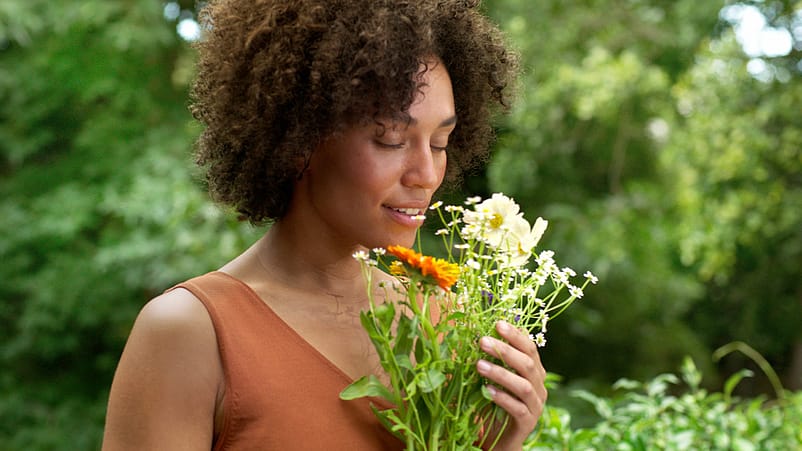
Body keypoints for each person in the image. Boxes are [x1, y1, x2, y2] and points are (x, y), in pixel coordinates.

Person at [102, 0, 547, 449]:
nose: (427, 175)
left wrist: (502, 442)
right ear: (300, 136)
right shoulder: (189, 333)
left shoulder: (447, 325)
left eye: (439, 142)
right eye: (391, 139)